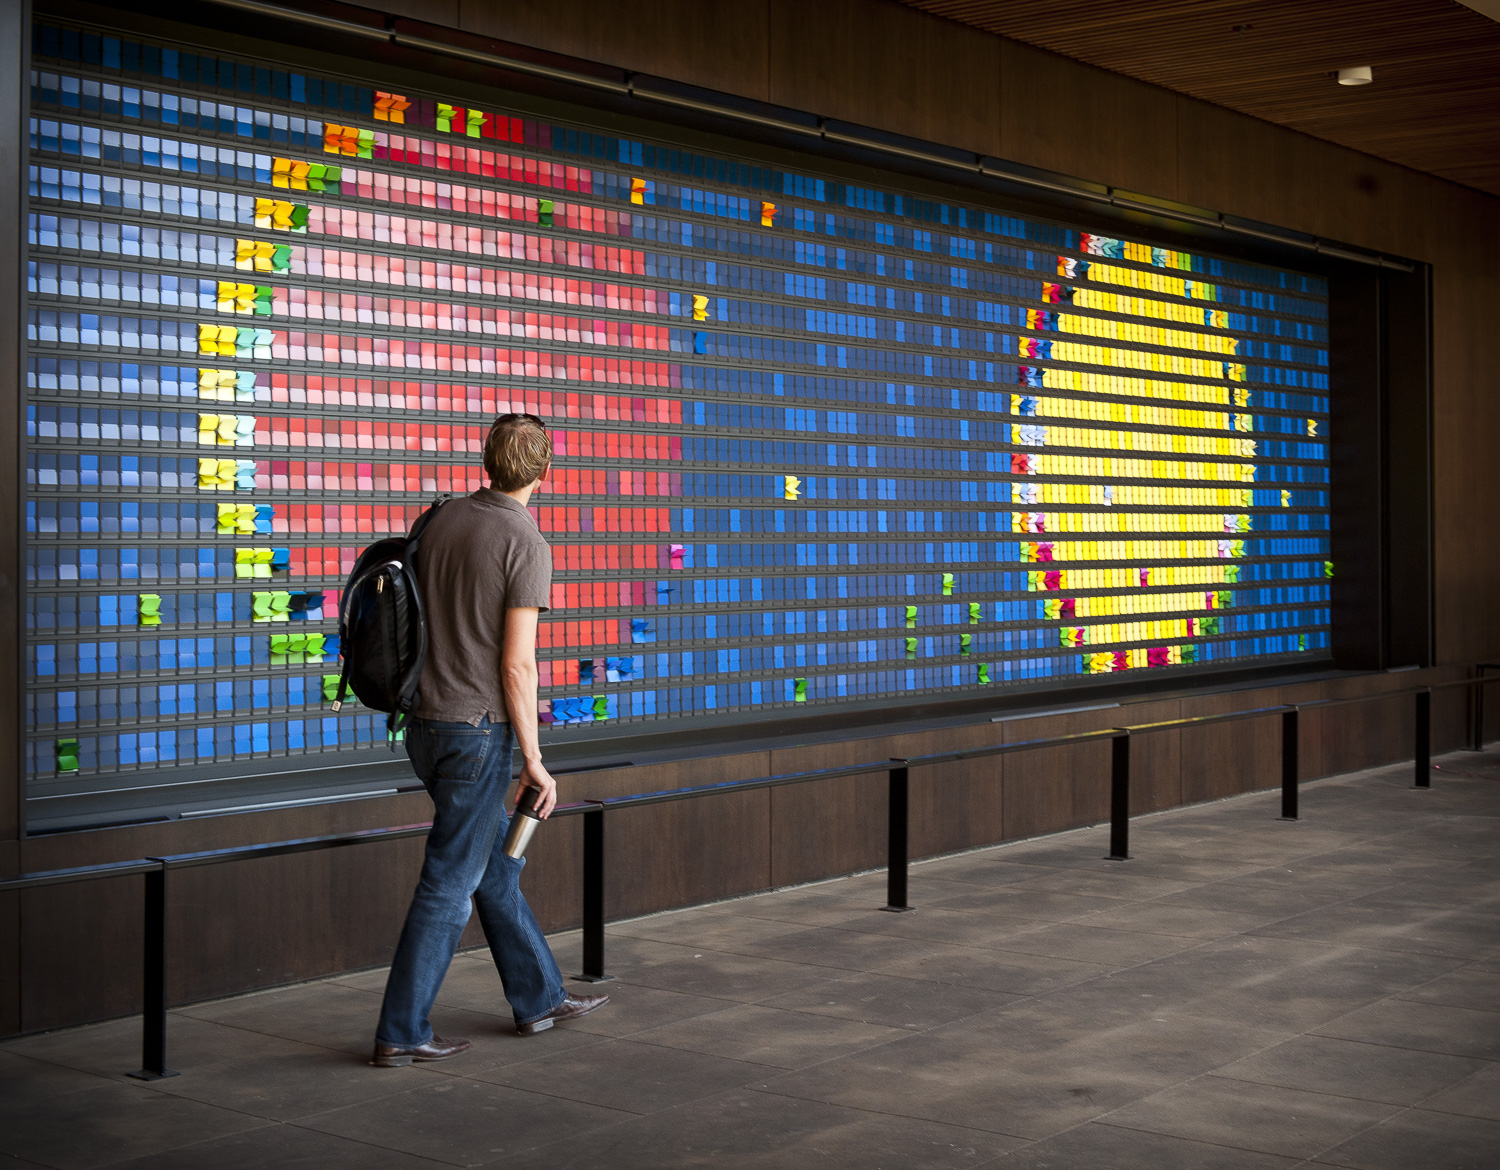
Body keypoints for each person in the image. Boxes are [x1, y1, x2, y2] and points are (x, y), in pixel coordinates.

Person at [372, 413, 609, 1067]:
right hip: (477, 733)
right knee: (451, 880)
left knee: (489, 867)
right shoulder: (524, 540)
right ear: (546, 471)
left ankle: (538, 997)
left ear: (486, 462)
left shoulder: (444, 518)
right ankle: (401, 1029)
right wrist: (535, 759)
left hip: (424, 725)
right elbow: (517, 664)